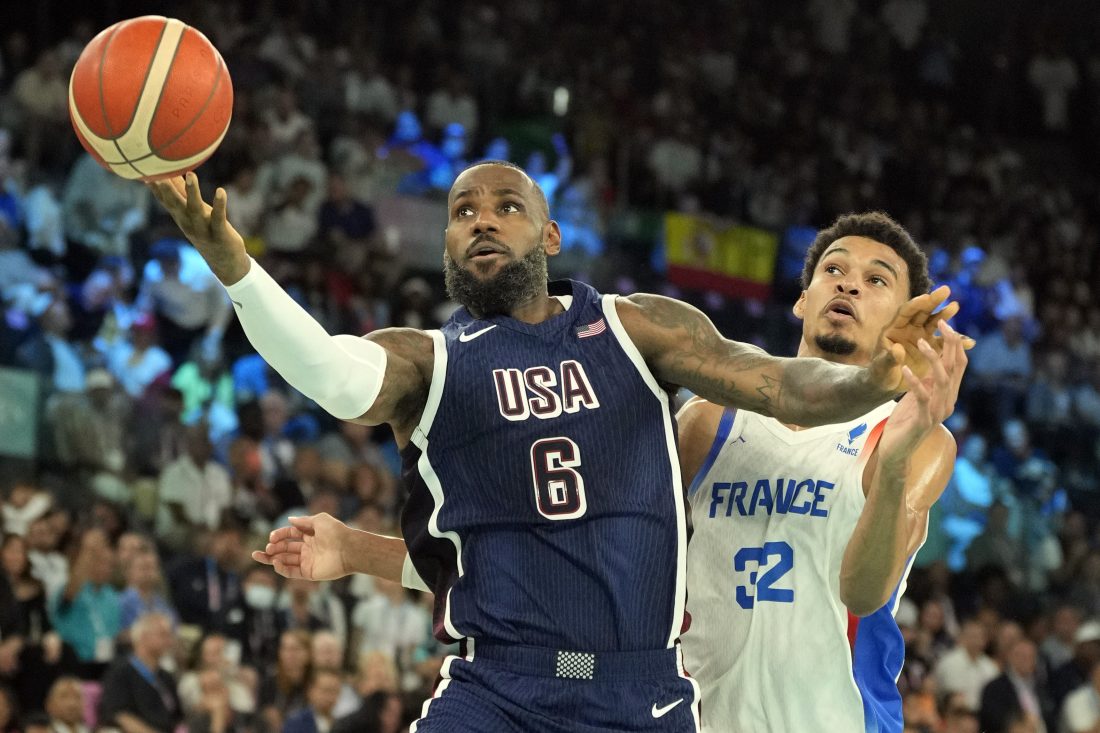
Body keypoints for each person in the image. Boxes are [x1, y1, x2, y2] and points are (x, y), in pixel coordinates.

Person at [150, 163, 954, 732]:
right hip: (548, 689)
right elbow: (331, 373)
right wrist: (236, 268)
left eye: (506, 205)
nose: (483, 220)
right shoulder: (441, 365)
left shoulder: (646, 335)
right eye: (463, 211)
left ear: (552, 233)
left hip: (707, 705)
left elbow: (796, 408)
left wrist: (884, 388)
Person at [676, 212, 968, 732]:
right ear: (802, 300)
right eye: (834, 270)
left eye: (876, 280)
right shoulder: (707, 421)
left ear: (906, 319)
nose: (850, 283)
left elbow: (863, 592)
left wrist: (895, 461)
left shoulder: (910, 437)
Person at [97, 613, 182, 733]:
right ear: (143, 637)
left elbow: (178, 716)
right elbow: (118, 714)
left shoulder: (166, 677)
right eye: (163, 635)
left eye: (169, 635)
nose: (169, 641)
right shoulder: (120, 672)